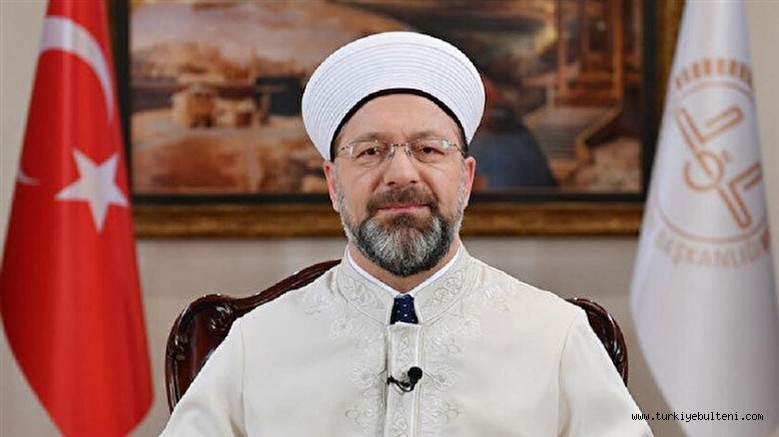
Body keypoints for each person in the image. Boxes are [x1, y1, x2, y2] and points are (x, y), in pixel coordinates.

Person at [160, 31, 651, 436]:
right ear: (333, 184)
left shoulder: (557, 336)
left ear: (466, 180)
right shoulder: (255, 343)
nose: (401, 175)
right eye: (370, 151)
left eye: (428, 149)